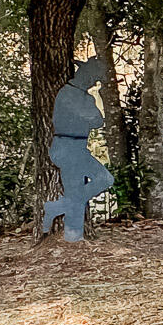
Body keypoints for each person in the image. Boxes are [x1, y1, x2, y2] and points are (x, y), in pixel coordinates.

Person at [40, 57, 111, 242]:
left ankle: (56, 208)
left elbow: (98, 121)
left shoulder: (85, 97)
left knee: (105, 179)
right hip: (66, 147)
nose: (93, 82)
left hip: (79, 147)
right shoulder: (68, 94)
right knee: (75, 190)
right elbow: (92, 117)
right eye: (93, 77)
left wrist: (90, 109)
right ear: (84, 74)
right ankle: (73, 239)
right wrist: (88, 111)